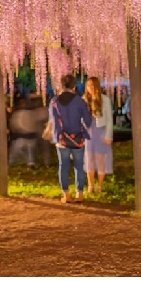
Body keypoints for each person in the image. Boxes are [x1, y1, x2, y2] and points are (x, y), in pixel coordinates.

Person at [48, 73, 93, 204]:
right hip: (78, 139)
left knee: (63, 166)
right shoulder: (80, 101)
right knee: (79, 166)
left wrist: (59, 137)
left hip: (62, 139)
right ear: (74, 86)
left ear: (61, 86)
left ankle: (66, 194)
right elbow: (88, 122)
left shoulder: (54, 102)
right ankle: (79, 194)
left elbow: (54, 122)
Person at [82, 77, 114, 194]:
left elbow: (109, 119)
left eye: (92, 85)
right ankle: (90, 186)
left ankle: (100, 186)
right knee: (89, 158)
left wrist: (108, 135)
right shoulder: (84, 100)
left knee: (100, 159)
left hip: (100, 130)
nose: (90, 88)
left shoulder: (104, 99)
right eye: (88, 85)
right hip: (88, 131)